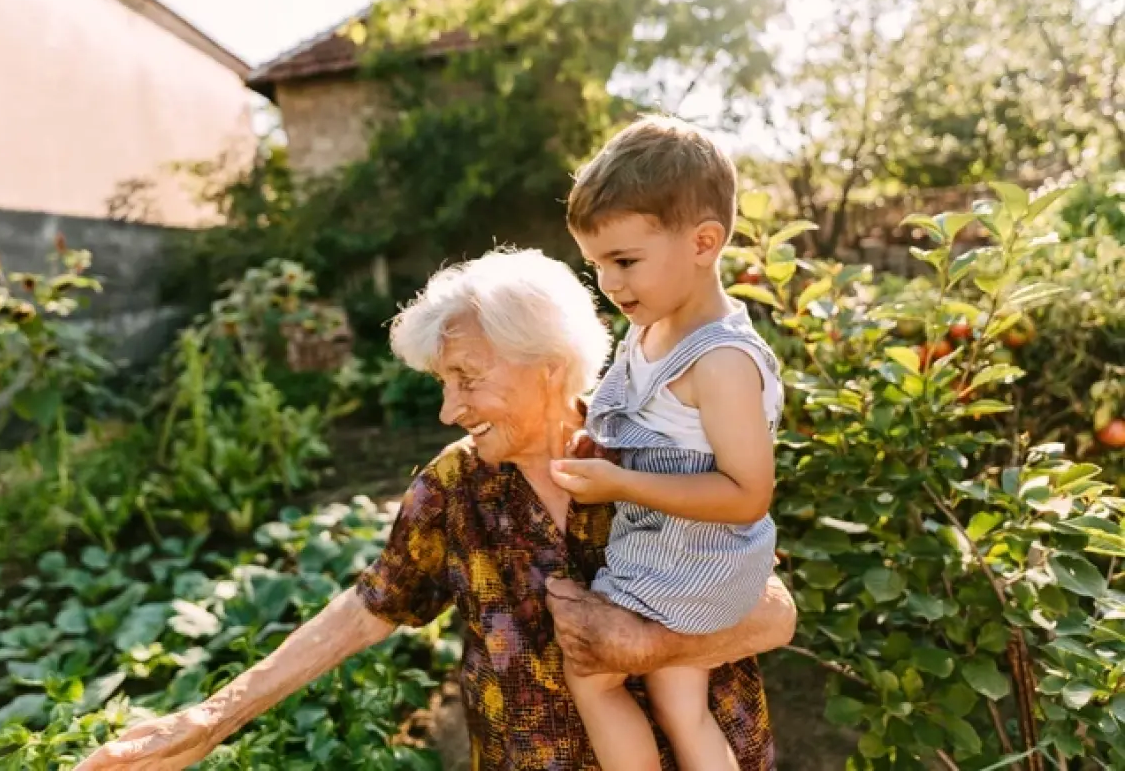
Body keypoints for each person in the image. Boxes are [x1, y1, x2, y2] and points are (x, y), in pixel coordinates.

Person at [74, 248, 796, 771]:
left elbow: (776, 613)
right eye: (441, 383)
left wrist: (650, 645)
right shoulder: (455, 492)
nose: (450, 409)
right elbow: (368, 608)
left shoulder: (656, 447)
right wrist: (209, 719)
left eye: (466, 379)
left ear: (547, 363)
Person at [550, 115, 784, 771]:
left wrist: (622, 483)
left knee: (590, 674)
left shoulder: (721, 362)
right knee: (682, 706)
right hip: (675, 553)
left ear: (704, 242)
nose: (611, 285)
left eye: (625, 261)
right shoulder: (652, 328)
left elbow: (747, 495)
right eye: (597, 266)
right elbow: (628, 409)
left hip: (696, 561)